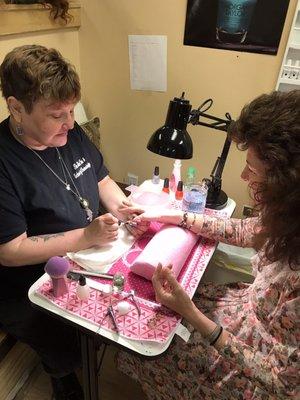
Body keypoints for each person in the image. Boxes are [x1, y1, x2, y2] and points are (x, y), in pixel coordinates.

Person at [117, 90, 300, 400]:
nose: (243, 176)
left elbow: (282, 383)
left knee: (149, 345)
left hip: (255, 370)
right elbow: (248, 230)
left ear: (286, 182)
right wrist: (172, 215)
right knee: (169, 307)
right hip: (246, 314)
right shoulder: (290, 218)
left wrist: (192, 315)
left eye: (252, 171)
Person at [0, 44, 147, 400]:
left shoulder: (69, 132)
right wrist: (84, 236)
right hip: (26, 278)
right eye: (56, 114)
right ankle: (60, 373)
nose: (69, 122)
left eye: (71, 111)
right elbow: (11, 251)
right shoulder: (4, 161)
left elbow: (100, 179)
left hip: (86, 251)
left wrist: (122, 207)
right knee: (64, 342)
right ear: (16, 107)